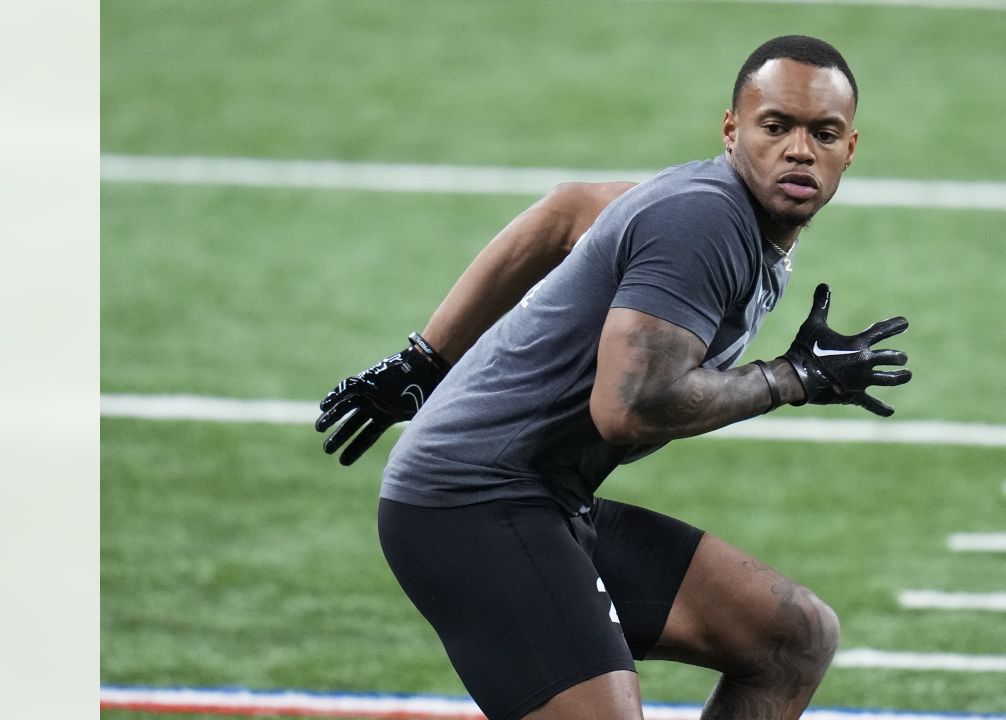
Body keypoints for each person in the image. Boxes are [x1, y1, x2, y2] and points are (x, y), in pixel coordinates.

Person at [316, 35, 912, 720]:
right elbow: (629, 408)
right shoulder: (706, 217)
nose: (800, 150)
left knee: (791, 637)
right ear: (732, 130)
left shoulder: (724, 212)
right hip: (469, 503)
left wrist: (425, 361)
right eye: (776, 126)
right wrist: (792, 377)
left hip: (546, 495)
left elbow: (565, 213)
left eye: (823, 133)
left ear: (851, 148)